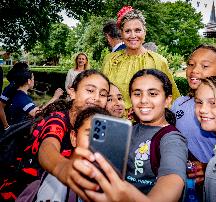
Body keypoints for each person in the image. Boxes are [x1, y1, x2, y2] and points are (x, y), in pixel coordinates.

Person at [73, 69, 188, 202]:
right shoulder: (128, 130)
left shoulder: (171, 138)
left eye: (153, 94)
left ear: (167, 100)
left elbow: (172, 179)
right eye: (137, 94)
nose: (144, 100)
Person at [28, 69, 110, 201]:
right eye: (90, 90)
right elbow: (48, 147)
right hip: (34, 188)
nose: (96, 97)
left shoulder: (99, 123)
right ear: (72, 92)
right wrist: (62, 168)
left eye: (103, 94)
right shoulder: (57, 119)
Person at [171, 44, 216, 188]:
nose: (194, 70)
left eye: (205, 66)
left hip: (215, 183)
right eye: (190, 64)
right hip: (181, 182)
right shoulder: (179, 103)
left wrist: (209, 168)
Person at [102, 6, 180, 109]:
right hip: (115, 121)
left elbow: (172, 98)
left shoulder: (158, 61)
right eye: (128, 31)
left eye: (138, 30)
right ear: (121, 33)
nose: (133, 35)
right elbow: (102, 93)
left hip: (150, 121)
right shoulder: (110, 60)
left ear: (145, 32)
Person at [33, 106, 110, 202]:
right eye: (90, 135)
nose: (96, 144)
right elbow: (47, 147)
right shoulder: (56, 181)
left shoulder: (113, 184)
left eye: (105, 139)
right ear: (74, 138)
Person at [0, 62, 29, 130]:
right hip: (9, 123)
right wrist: (6, 125)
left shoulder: (19, 87)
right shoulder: (11, 87)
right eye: (27, 70)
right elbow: (0, 106)